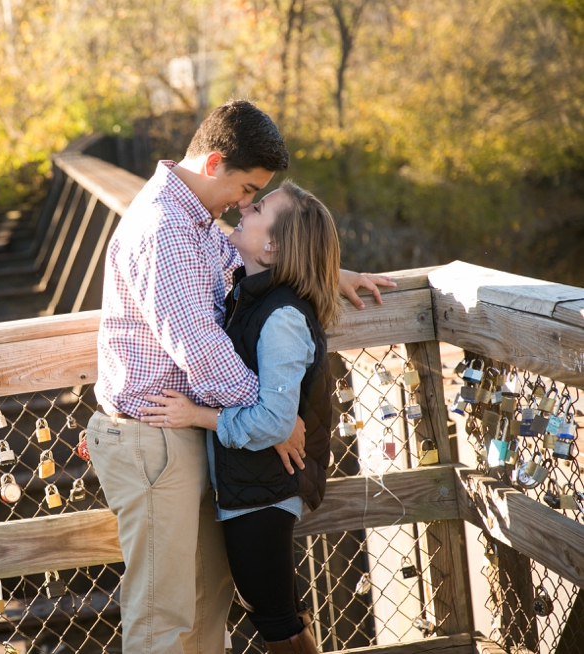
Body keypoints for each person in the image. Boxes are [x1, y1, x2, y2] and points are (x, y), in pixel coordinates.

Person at [85, 99, 393, 654]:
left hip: (187, 435)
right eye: (248, 190)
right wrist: (273, 419)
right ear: (213, 163)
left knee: (204, 614)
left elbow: (243, 262)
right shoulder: (165, 229)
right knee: (164, 622)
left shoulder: (195, 219)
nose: (243, 204)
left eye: (253, 199)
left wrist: (323, 267)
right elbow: (199, 348)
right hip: (151, 437)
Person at [139, 180, 341, 654]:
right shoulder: (250, 297)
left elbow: (274, 421)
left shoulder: (281, 316)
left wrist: (197, 414)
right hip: (252, 488)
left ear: (271, 245)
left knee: (276, 622)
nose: (246, 206)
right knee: (279, 613)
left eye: (260, 207)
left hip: (262, 495)